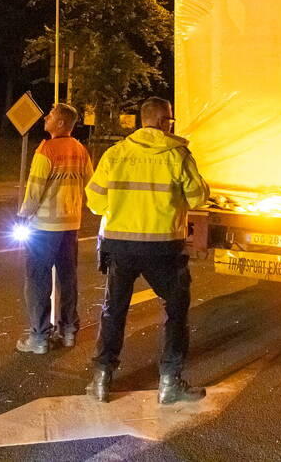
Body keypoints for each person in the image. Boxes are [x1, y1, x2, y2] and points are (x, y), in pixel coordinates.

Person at [85, 97, 210, 404]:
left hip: (121, 246)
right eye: (170, 120)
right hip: (163, 247)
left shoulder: (115, 154)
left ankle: (102, 379)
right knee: (175, 310)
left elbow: (95, 202)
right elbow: (197, 198)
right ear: (164, 121)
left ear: (142, 120)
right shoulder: (178, 154)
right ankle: (169, 382)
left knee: (114, 310)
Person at [15, 103, 93, 354]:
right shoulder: (81, 150)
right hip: (70, 225)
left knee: (38, 279)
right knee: (67, 277)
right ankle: (69, 331)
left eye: (50, 117)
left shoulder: (46, 150)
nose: (45, 119)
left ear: (60, 124)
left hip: (44, 227)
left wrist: (23, 215)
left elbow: (35, 189)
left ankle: (39, 337)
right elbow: (90, 184)